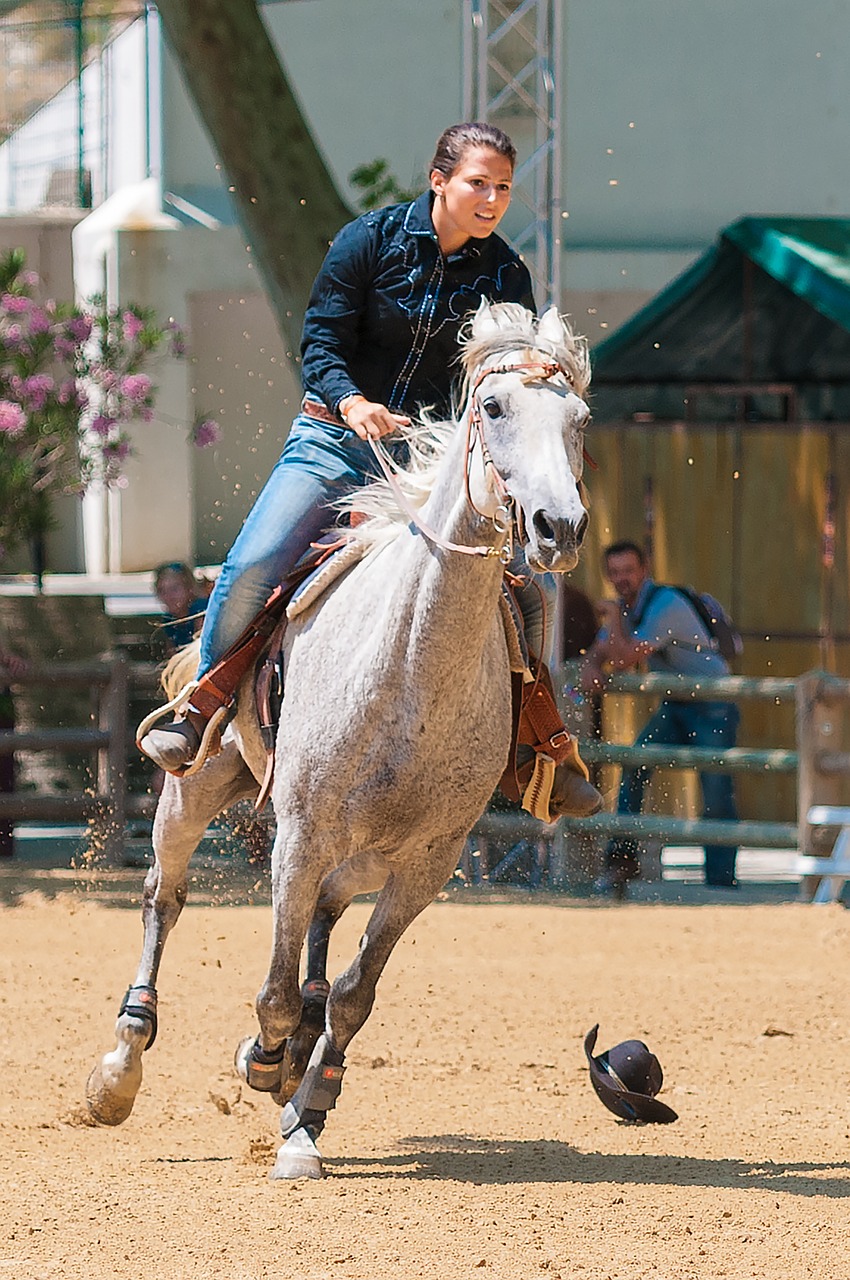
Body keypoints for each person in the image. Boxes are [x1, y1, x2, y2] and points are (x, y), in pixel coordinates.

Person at [140, 121, 601, 818]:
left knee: (525, 596)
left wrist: (541, 367)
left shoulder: (507, 273)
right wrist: (353, 402)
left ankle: (542, 750)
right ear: (439, 179)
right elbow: (320, 341)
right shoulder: (368, 241)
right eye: (479, 182)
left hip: (426, 461)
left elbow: (510, 373)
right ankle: (201, 706)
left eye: (504, 187)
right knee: (254, 563)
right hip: (332, 443)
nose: (493, 198)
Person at [582, 540, 740, 893]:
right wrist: (592, 663)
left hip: (713, 703)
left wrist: (611, 618)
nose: (622, 579)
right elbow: (602, 651)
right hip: (677, 705)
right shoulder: (629, 607)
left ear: (645, 571)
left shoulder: (665, 604)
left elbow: (622, 657)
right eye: (615, 572)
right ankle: (622, 860)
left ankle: (720, 883)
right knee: (635, 763)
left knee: (716, 791)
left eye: (628, 571)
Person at [153, 562, 210, 655]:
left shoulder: (200, 612)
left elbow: (200, 654)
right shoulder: (169, 619)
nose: (168, 596)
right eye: (161, 591)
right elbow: (171, 656)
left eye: (174, 589)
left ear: (189, 588)